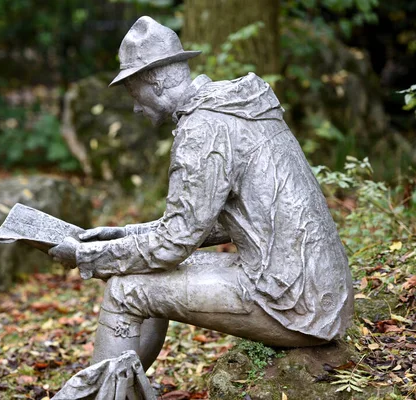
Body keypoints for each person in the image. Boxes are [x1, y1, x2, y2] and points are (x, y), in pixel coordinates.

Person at [49, 16, 353, 371]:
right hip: (321, 290)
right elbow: (226, 220)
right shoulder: (231, 108)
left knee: (125, 291)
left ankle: (99, 395)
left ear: (157, 82)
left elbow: (174, 244)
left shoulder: (202, 129)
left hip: (294, 303)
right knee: (144, 271)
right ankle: (124, 387)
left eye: (134, 91)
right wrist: (125, 234)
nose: (134, 106)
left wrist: (89, 257)